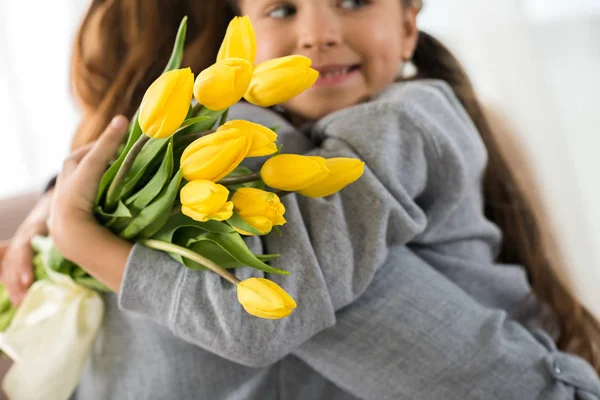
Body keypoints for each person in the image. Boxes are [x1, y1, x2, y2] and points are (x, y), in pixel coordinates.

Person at [1, 0, 600, 398]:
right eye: (283, 9)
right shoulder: (249, 130)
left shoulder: (403, 121)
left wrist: (85, 237)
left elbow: (262, 319)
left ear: (409, 23)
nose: (319, 32)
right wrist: (63, 201)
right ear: (241, 33)